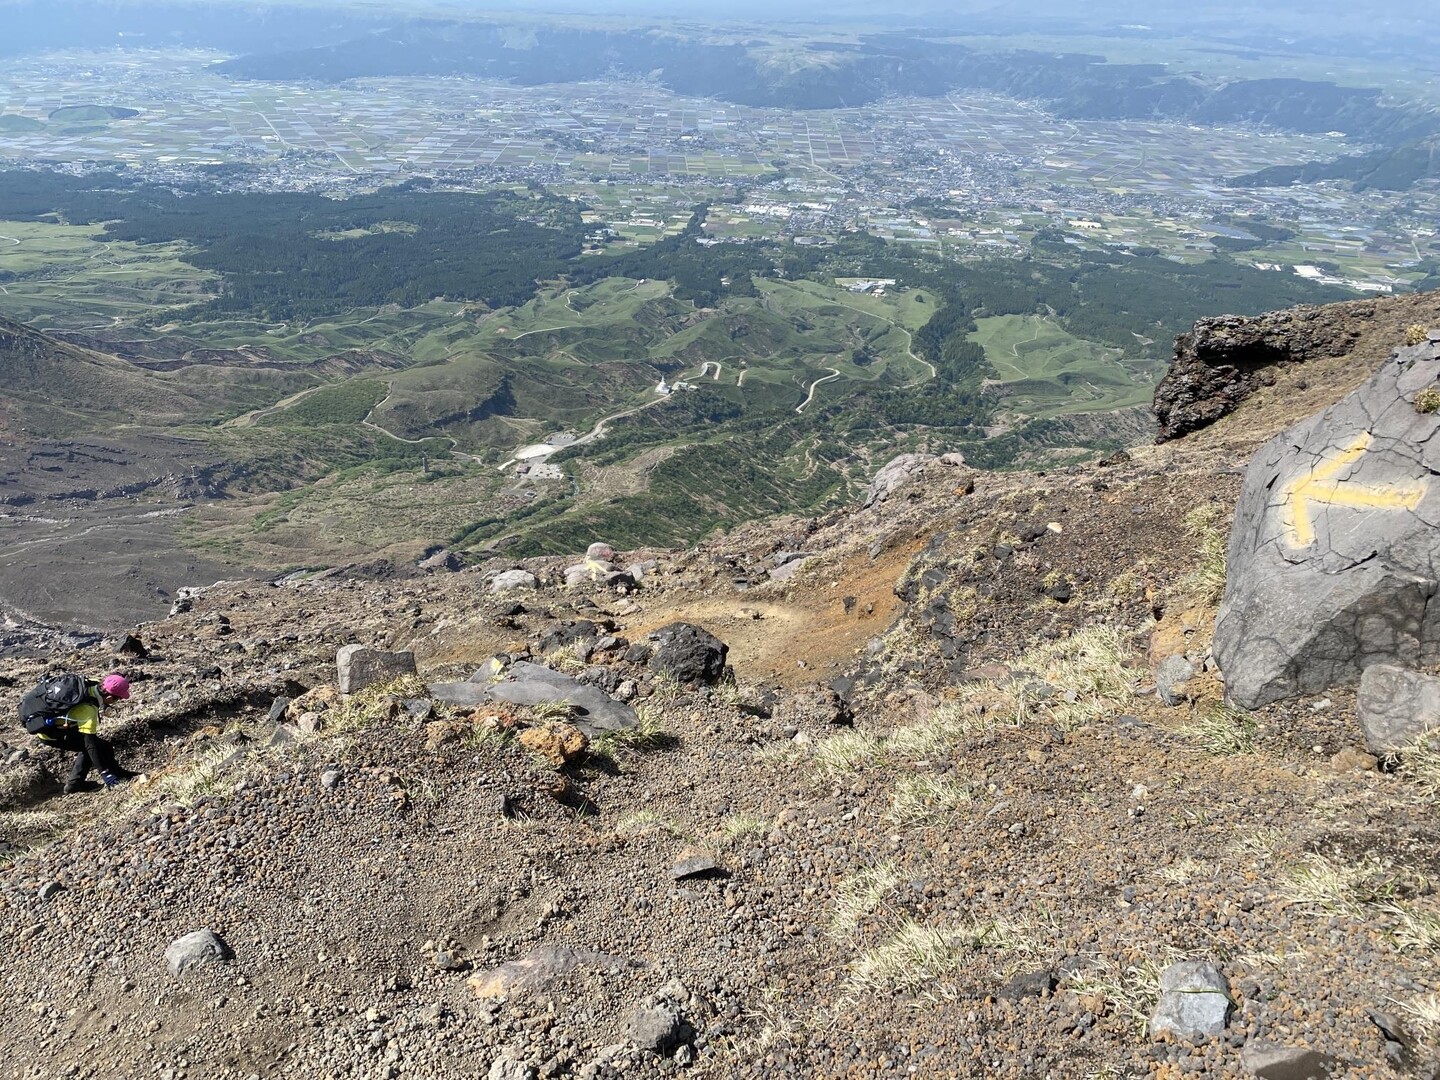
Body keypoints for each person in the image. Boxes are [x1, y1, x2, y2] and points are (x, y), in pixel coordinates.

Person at [30, 673, 138, 795]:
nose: (118, 701)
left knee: (104, 746)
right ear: (108, 697)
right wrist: (105, 774)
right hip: (51, 734)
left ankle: (118, 773)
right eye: (118, 698)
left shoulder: (91, 683)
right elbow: (90, 745)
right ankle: (75, 784)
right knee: (90, 748)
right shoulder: (88, 710)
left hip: (58, 726)